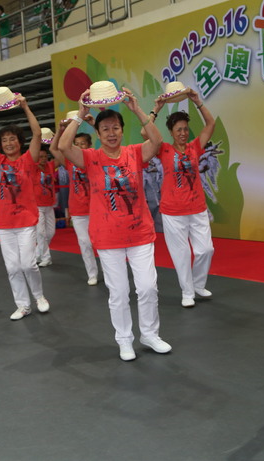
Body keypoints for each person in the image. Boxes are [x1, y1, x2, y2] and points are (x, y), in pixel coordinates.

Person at [57, 88, 171, 361]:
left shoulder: (134, 153)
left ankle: (150, 334)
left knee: (147, 288)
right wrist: (81, 114)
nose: (111, 133)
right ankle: (124, 340)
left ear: (122, 130)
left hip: (140, 233)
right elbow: (63, 147)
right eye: (105, 129)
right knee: (119, 292)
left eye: (115, 128)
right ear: (98, 134)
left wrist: (136, 109)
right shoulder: (91, 158)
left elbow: (156, 141)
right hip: (108, 237)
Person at [0, 94, 50, 320]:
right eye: (4, 140)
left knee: (28, 264)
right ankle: (23, 305)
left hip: (25, 221)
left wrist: (25, 106)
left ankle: (39, 296)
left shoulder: (28, 159)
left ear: (19, 141)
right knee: (13, 267)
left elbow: (37, 134)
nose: (8, 143)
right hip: (3, 223)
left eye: (12, 139)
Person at [147, 89, 216, 307]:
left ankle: (198, 284)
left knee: (206, 249)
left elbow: (210, 124)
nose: (183, 133)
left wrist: (197, 101)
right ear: (171, 132)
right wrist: (156, 109)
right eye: (179, 129)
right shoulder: (163, 149)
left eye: (185, 129)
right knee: (181, 254)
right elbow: (144, 132)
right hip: (173, 212)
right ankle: (187, 292)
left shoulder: (195, 147)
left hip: (197, 208)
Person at [49, 123, 99, 285]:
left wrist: (93, 124)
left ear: (89, 145)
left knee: (101, 242)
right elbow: (53, 149)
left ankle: (110, 271)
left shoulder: (96, 158)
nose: (79, 146)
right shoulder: (69, 162)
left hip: (98, 208)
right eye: (76, 144)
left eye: (82, 143)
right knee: (84, 243)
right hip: (78, 209)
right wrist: (60, 131)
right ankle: (92, 273)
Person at [34, 149, 56, 267]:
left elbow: (60, 153)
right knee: (40, 233)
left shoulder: (50, 166)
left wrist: (52, 140)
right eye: (40, 157)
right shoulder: (32, 168)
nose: (43, 159)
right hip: (37, 205)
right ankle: (46, 257)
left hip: (49, 204)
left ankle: (36, 254)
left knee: (51, 232)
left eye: (45, 156)